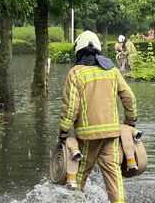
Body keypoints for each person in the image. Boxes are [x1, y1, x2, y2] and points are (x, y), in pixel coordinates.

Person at [59, 31, 137, 202]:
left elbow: (71, 106)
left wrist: (63, 131)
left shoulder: (76, 73)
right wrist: (130, 121)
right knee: (114, 175)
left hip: (87, 137)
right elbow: (129, 97)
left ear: (78, 50)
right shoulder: (112, 71)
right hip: (112, 134)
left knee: (78, 176)